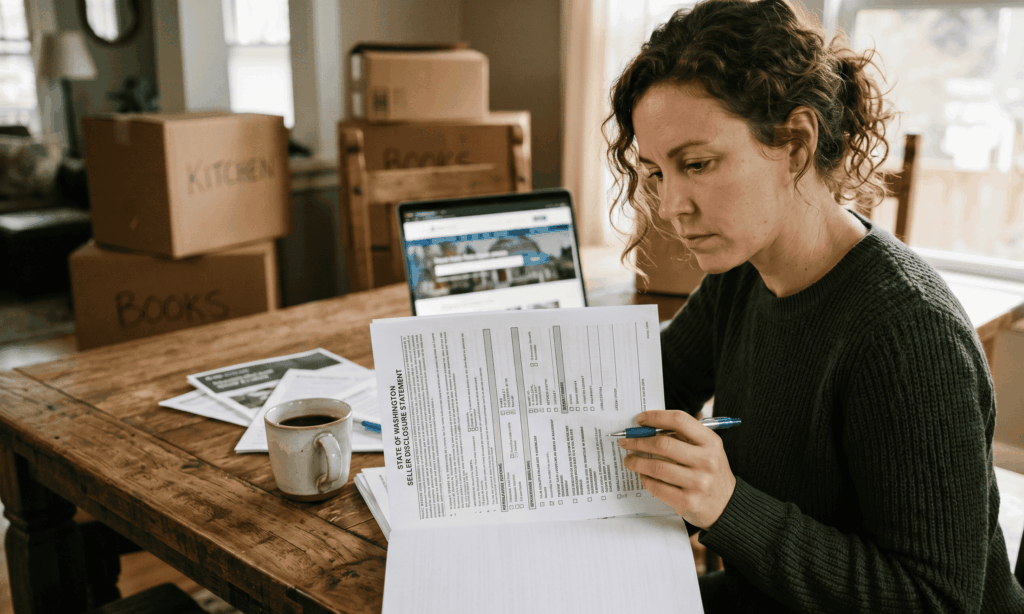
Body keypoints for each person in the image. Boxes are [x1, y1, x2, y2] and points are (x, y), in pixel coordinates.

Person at [604, 0, 1024, 612]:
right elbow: (647, 386)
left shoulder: (908, 335)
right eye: (657, 173)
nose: (670, 208)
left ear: (797, 144)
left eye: (696, 164)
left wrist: (726, 505)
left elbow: (936, 599)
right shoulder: (741, 274)